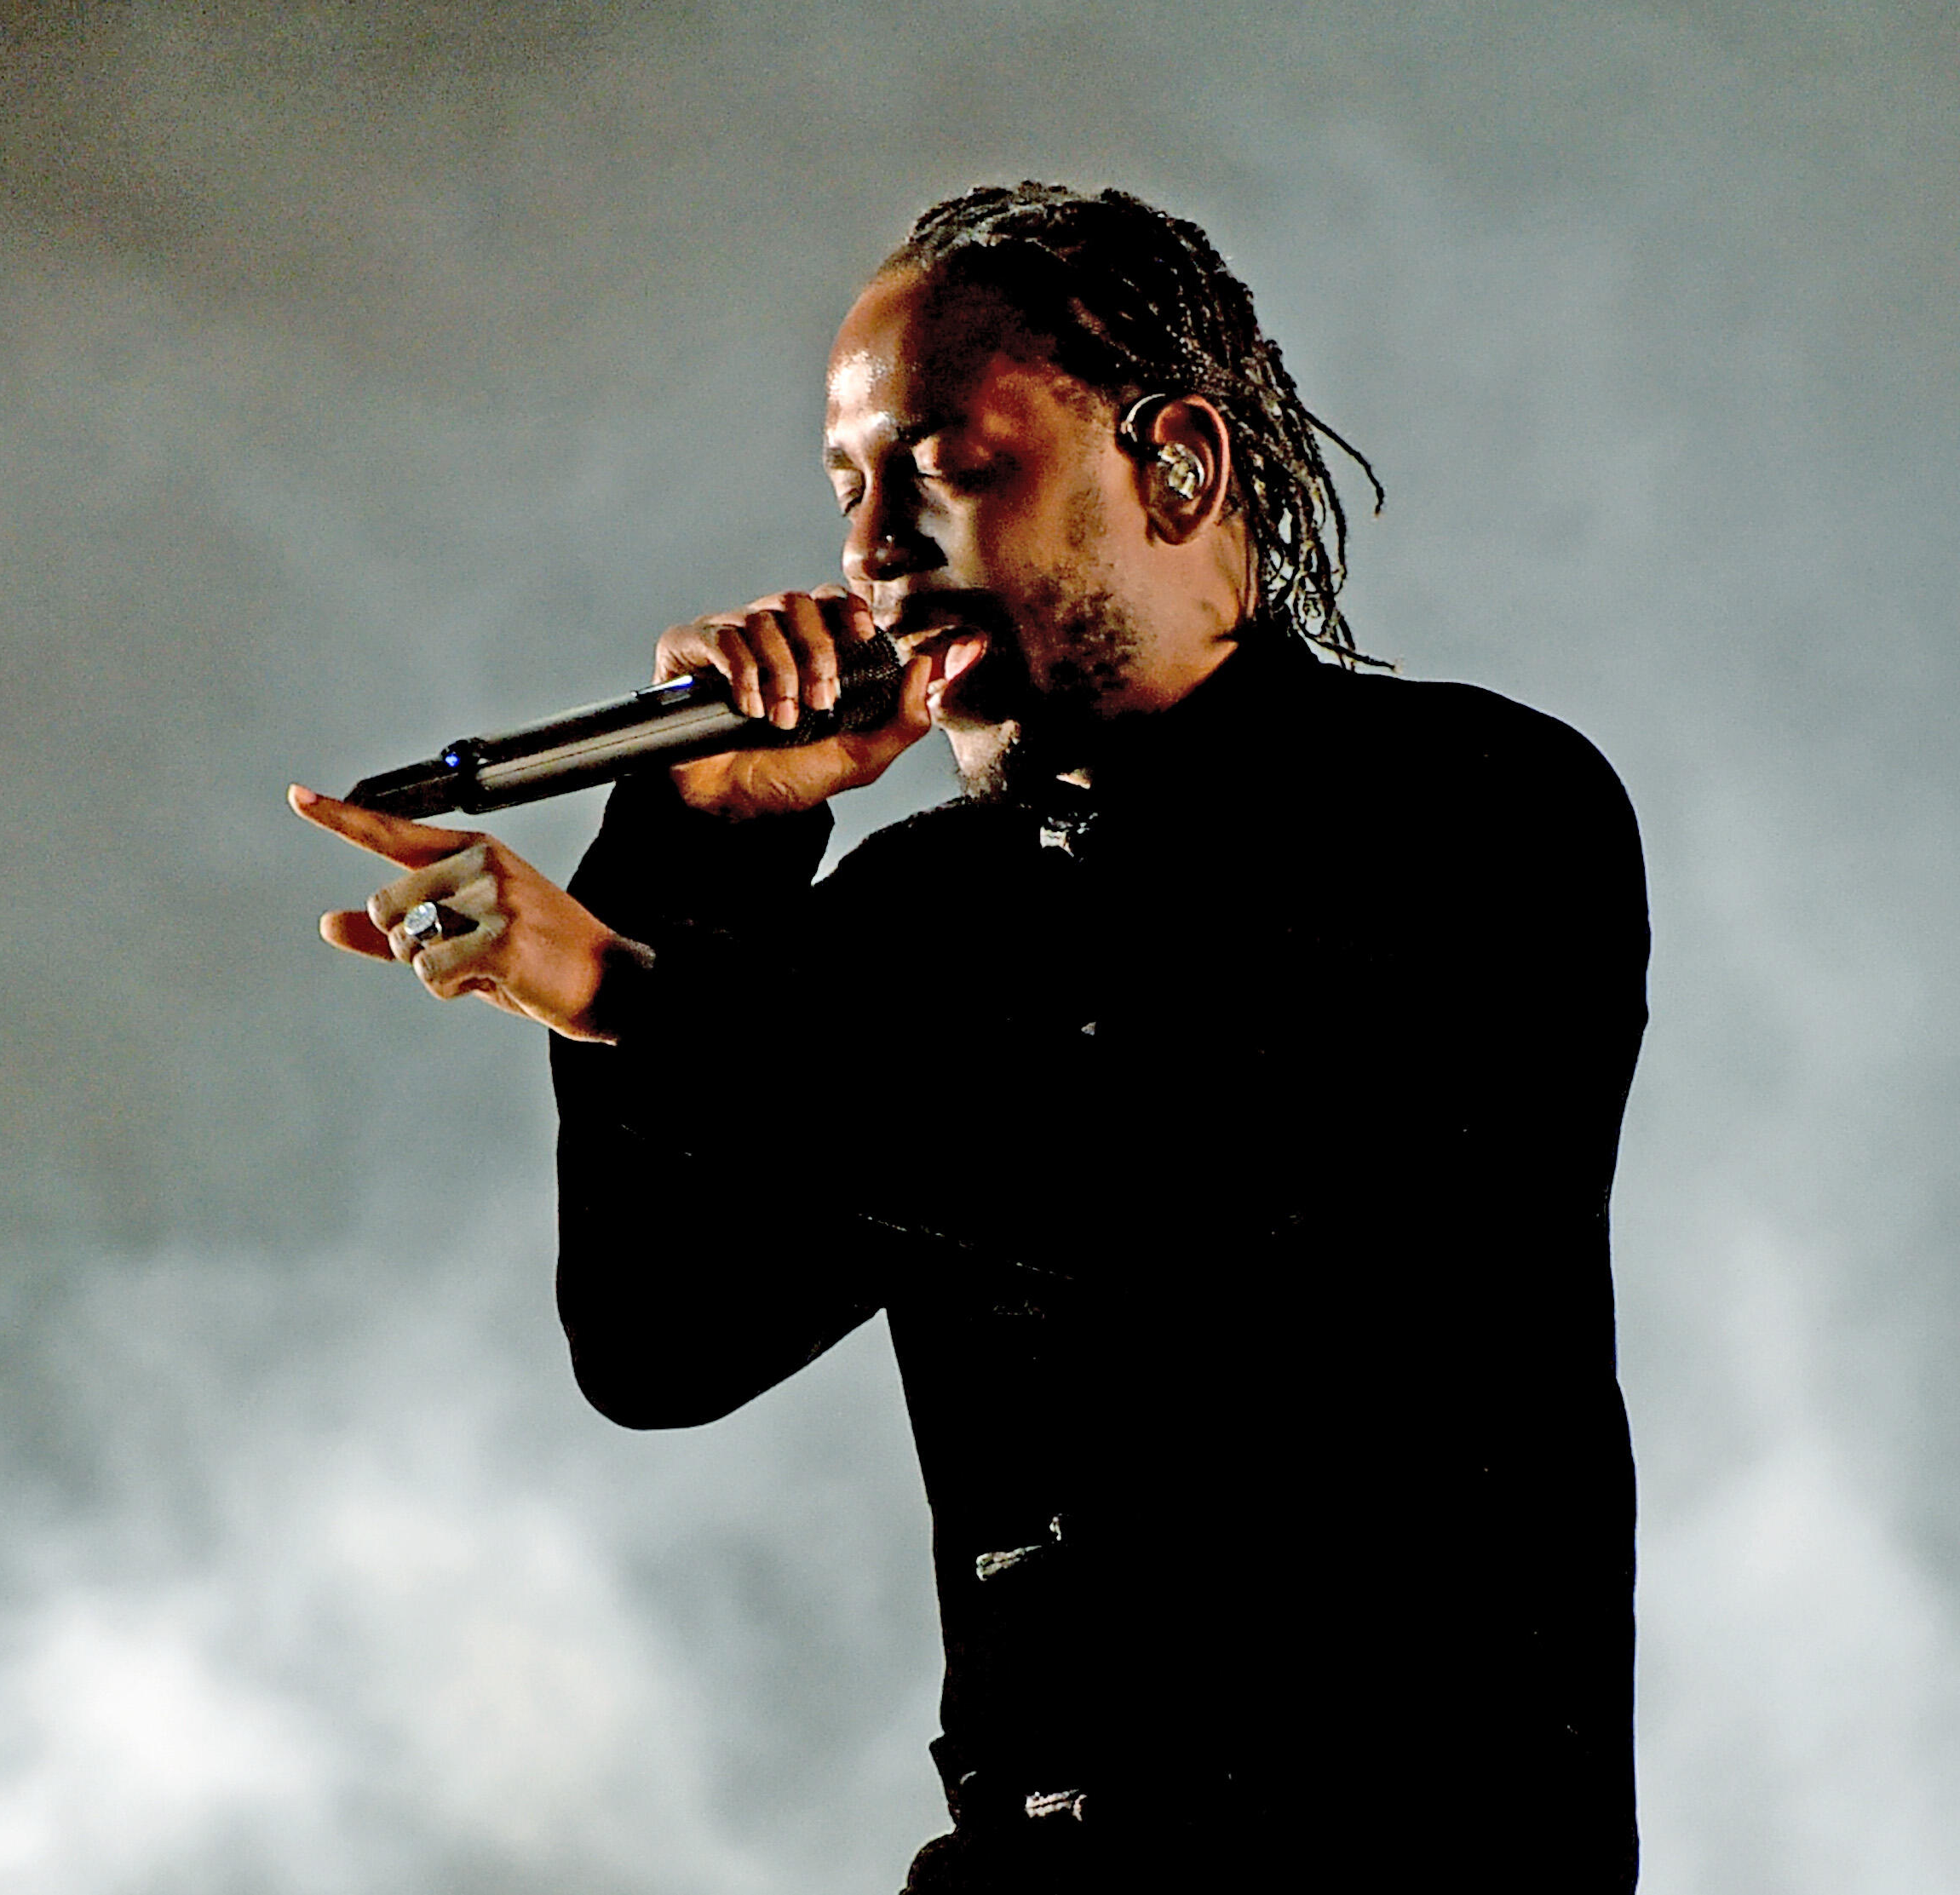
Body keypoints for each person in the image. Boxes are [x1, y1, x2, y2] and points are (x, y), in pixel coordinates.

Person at [294, 181, 1648, 1892]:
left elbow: (1171, 1183)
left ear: (1177, 466)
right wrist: (704, 845)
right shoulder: (931, 905)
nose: (871, 556)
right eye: (850, 491)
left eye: (942, 468)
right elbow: (664, 1334)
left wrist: (638, 987)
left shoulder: (1476, 809)